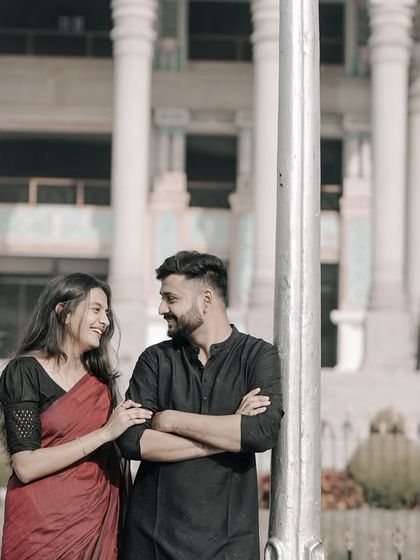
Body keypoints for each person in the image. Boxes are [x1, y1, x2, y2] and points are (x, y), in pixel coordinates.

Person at [118, 251, 283, 560]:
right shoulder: (155, 359)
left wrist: (169, 420)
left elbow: (261, 432)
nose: (161, 308)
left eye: (171, 298)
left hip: (229, 546)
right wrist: (231, 434)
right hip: (151, 544)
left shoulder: (258, 357)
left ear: (206, 299)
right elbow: (132, 440)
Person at [0, 272, 152, 560]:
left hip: (94, 525)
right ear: (63, 311)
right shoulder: (24, 372)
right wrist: (105, 433)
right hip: (40, 530)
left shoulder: (100, 382)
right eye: (96, 309)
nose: (105, 321)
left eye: (107, 312)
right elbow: (25, 466)